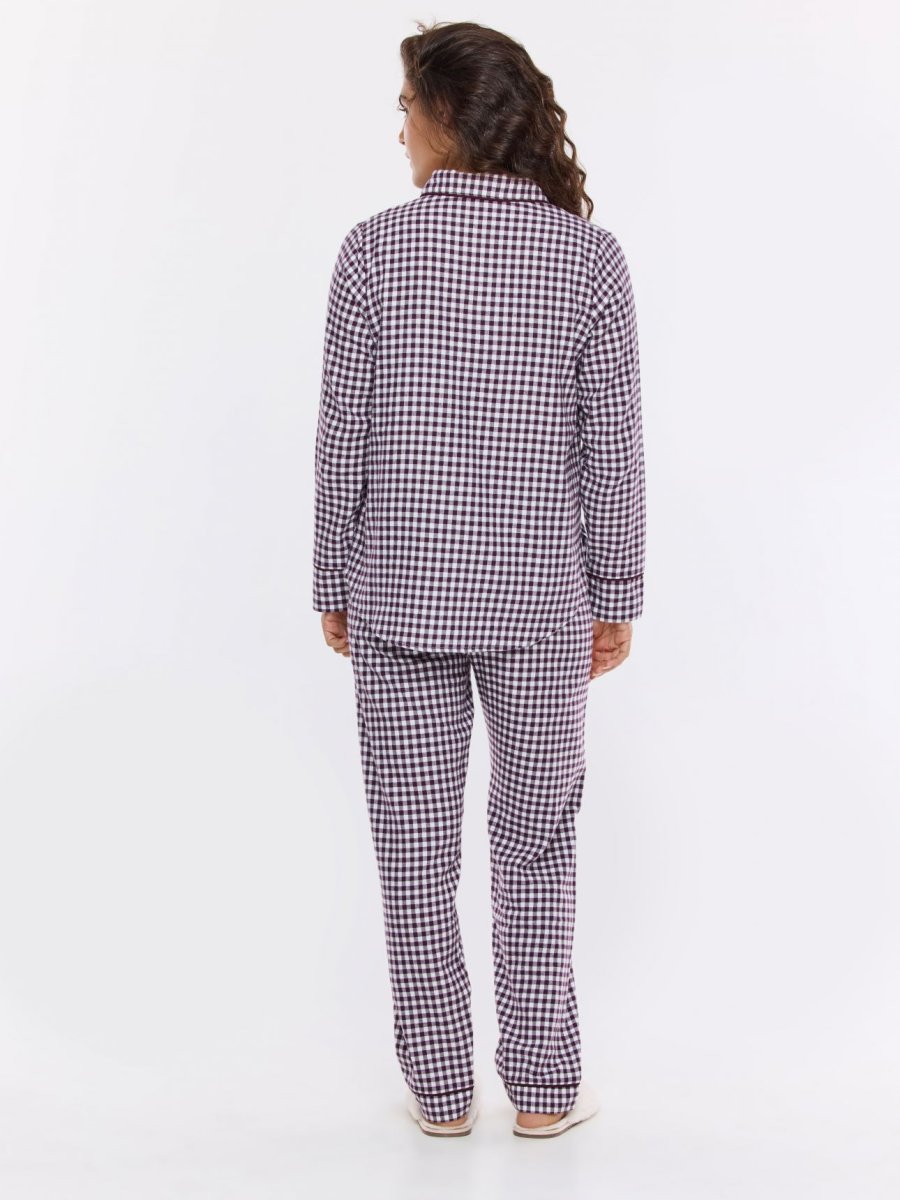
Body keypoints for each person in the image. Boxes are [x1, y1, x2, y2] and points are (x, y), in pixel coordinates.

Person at [312, 20, 646, 1139]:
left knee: (413, 856)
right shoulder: (588, 258)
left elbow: (343, 437)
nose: (400, 129)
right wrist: (617, 593)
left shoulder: (373, 251)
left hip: (398, 595)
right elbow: (613, 448)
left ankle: (442, 1091)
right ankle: (544, 1090)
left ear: (449, 115)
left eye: (407, 107)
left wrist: (332, 574)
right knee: (537, 847)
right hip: (543, 601)